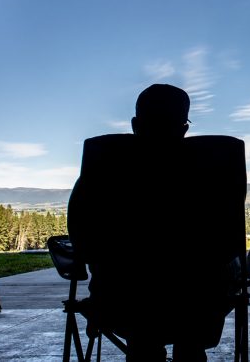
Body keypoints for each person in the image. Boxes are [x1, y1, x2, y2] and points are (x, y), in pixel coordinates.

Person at [68, 84, 217, 361]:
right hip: (198, 303)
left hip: (119, 300)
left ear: (135, 124)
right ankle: (191, 350)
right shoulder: (213, 170)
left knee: (142, 342)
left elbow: (81, 233)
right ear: (184, 128)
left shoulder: (100, 164)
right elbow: (224, 243)